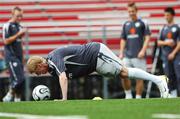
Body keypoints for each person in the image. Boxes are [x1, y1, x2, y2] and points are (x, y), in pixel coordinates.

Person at [27, 42, 170, 100]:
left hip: (96, 52)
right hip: (94, 64)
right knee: (121, 73)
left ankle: (159, 80)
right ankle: (156, 80)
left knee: (123, 72)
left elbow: (63, 78)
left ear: (40, 65)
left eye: (36, 71)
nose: (38, 74)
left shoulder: (53, 58)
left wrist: (64, 99)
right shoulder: (52, 69)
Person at [119, 2, 151, 99]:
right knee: (123, 75)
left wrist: (143, 50)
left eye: (133, 11)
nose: (131, 13)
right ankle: (128, 95)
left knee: (139, 78)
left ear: (136, 11)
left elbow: (148, 38)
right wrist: (121, 53)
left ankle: (138, 97)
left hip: (139, 55)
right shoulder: (126, 24)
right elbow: (123, 39)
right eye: (129, 11)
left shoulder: (143, 23)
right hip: (127, 56)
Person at [2, 7, 27, 102]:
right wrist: (18, 34)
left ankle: (17, 100)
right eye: (18, 16)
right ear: (12, 15)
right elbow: (6, 41)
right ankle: (9, 94)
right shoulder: (7, 25)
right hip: (11, 56)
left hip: (19, 57)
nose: (20, 18)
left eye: (21, 16)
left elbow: (19, 43)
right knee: (19, 79)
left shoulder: (19, 26)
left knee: (18, 81)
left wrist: (23, 56)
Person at [157, 7, 180, 97]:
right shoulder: (163, 28)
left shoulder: (177, 27)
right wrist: (167, 42)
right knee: (168, 77)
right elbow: (158, 42)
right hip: (165, 56)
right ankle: (173, 95)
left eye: (168, 15)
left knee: (178, 76)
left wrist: (173, 53)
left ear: (172, 15)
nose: (166, 17)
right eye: (165, 15)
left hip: (176, 55)